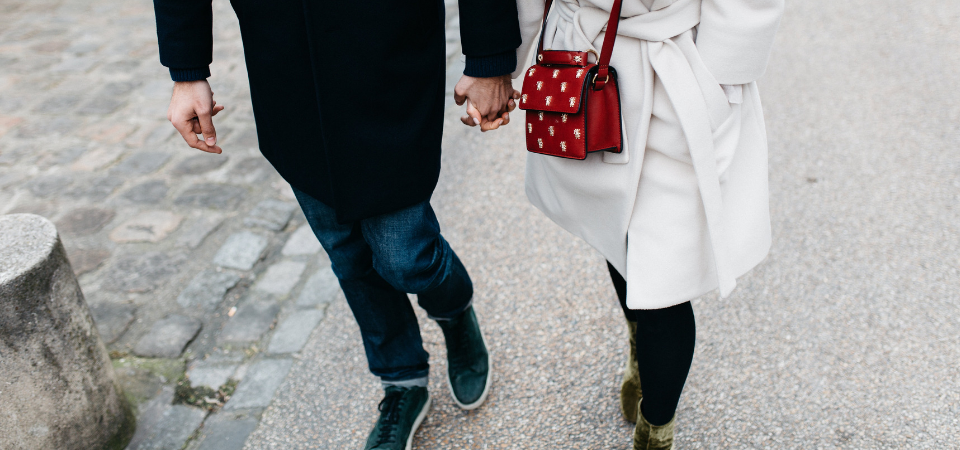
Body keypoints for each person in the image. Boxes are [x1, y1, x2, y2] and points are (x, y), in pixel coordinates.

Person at [152, 0, 523, 448]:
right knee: (347, 252)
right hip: (285, 61)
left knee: (407, 256)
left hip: (389, 49)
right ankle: (401, 380)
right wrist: (187, 68)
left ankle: (453, 309)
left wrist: (489, 55)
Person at [498, 0, 785, 447]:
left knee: (664, 280)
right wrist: (502, 64)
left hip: (675, 76)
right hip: (585, 60)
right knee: (618, 234)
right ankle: (638, 349)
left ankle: (656, 433)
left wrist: (719, 74)